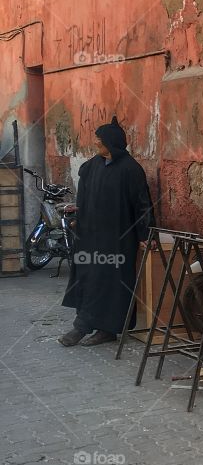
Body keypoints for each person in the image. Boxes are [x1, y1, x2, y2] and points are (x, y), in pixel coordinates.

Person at [59, 116, 155, 347]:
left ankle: (105, 329)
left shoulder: (131, 170)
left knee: (111, 284)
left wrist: (145, 234)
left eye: (100, 142)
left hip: (118, 241)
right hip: (90, 237)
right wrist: (78, 216)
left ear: (112, 144)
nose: (96, 146)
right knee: (88, 279)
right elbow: (85, 198)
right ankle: (83, 325)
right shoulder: (92, 167)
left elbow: (143, 204)